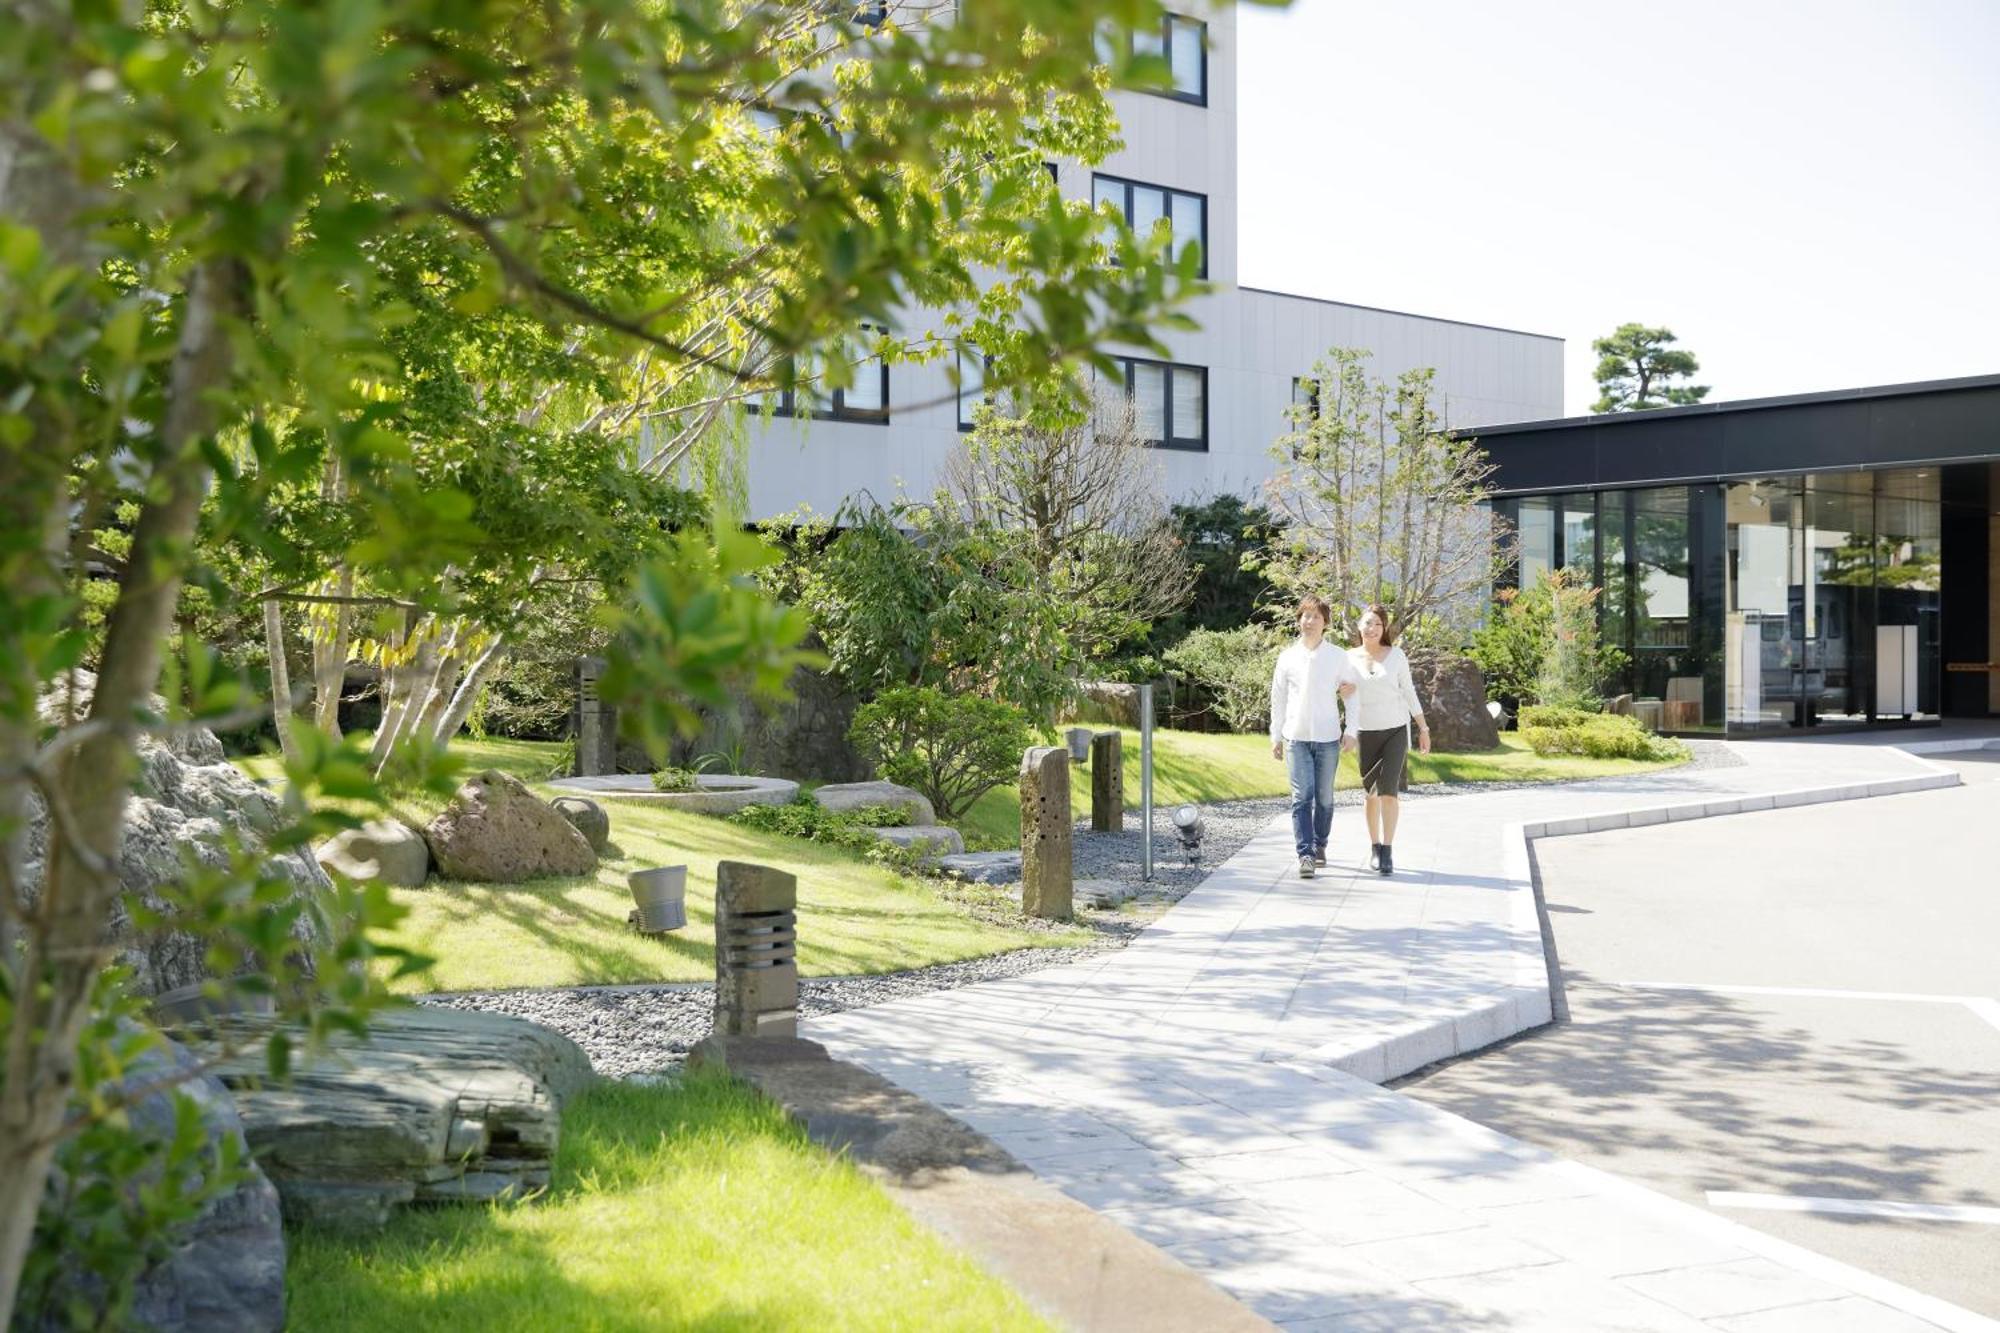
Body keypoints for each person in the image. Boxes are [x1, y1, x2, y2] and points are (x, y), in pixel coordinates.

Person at [1269, 595, 1361, 879]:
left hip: (1327, 737)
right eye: (1305, 616)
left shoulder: (1338, 657)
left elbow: (1351, 694)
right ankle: (1305, 853)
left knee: (1324, 798)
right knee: (1301, 796)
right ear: (1299, 620)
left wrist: (1352, 730)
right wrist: (1276, 735)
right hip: (1296, 737)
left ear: (1325, 624)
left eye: (1316, 617)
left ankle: (1320, 843)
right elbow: (1278, 699)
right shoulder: (1286, 657)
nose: (1309, 622)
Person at [1346, 604, 1429, 875]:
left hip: (1395, 730)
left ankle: (1388, 851)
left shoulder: (1397, 656)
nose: (1372, 628)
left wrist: (1423, 728)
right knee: (1370, 795)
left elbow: (1409, 692)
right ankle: (1374, 847)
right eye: (1368, 623)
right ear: (1359, 627)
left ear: (1384, 629)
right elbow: (1342, 692)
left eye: (1378, 624)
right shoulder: (1347, 658)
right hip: (1366, 732)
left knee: (1389, 793)